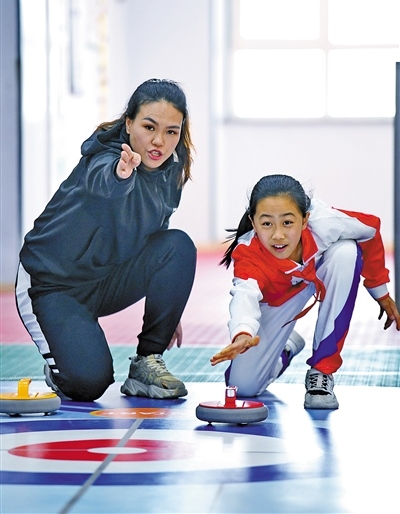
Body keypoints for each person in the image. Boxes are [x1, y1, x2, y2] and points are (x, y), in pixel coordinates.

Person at [16, 78, 197, 402]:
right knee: (89, 384)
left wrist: (168, 305)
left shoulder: (170, 170)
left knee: (177, 245)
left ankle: (146, 362)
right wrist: (121, 174)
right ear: (128, 124)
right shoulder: (104, 158)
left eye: (171, 131)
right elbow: (105, 182)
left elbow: (157, 235)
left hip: (105, 279)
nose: (159, 141)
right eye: (149, 127)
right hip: (52, 284)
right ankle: (63, 361)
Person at [211, 174, 400, 409]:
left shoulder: (324, 222)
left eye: (287, 222)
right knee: (243, 387)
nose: (278, 235)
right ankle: (287, 347)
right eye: (267, 223)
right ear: (253, 221)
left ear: (304, 219)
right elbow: (244, 296)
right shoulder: (248, 253)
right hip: (278, 304)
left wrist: (379, 290)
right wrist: (243, 333)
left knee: (346, 252)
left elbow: (370, 230)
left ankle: (322, 372)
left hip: (317, 274)